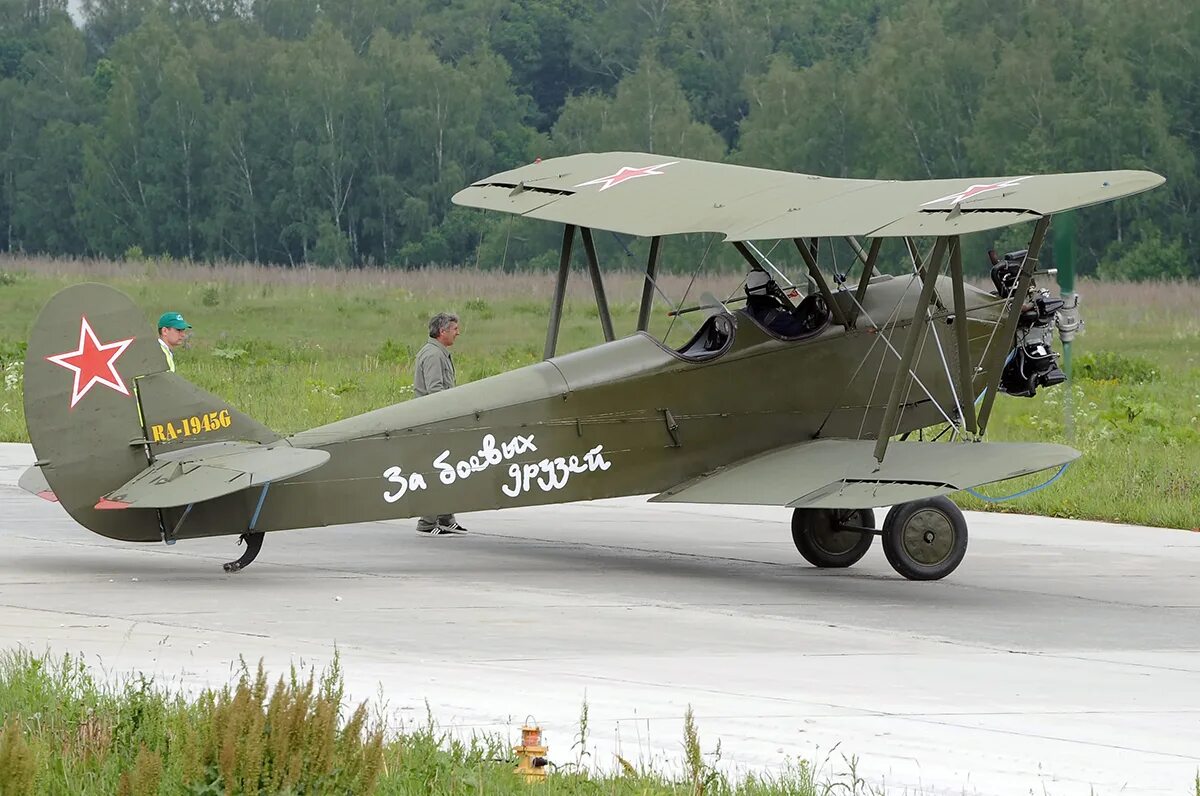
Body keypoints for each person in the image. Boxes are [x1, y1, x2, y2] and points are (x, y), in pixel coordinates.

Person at [413, 312, 468, 536]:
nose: (458, 333)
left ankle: (445, 517)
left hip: (440, 421)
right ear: (442, 331)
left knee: (448, 469)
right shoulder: (433, 355)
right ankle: (427, 521)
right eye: (454, 329)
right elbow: (435, 391)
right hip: (434, 422)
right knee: (436, 470)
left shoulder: (438, 353)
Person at [742, 270, 819, 338]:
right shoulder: (773, 316)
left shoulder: (750, 309)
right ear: (769, 287)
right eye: (772, 283)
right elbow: (797, 330)